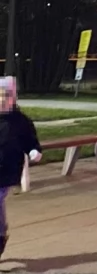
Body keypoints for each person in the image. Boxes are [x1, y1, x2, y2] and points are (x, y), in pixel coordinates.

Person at [0, 77, 41, 259]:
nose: (2, 99)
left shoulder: (20, 121)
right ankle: (1, 233)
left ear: (13, 98)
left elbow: (30, 140)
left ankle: (0, 234)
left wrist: (34, 151)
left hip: (8, 170)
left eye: (6, 95)